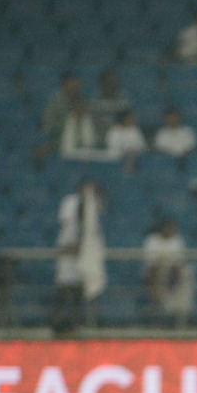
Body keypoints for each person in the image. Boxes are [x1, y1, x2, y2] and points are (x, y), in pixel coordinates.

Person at [53, 179, 106, 335]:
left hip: (82, 263)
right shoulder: (70, 204)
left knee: (79, 295)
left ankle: (75, 327)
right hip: (67, 263)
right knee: (63, 295)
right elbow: (65, 243)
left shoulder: (92, 217)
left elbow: (98, 210)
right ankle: (60, 329)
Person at [143, 219, 195, 324]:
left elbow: (178, 263)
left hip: (172, 271)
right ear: (162, 229)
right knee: (158, 275)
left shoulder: (177, 240)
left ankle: (181, 311)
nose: (170, 230)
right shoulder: (152, 240)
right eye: (167, 228)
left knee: (187, 273)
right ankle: (164, 309)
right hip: (155, 271)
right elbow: (151, 264)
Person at [91, 69, 133, 143]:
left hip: (119, 134)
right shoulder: (95, 102)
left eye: (114, 82)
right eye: (109, 82)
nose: (112, 85)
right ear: (103, 83)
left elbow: (128, 119)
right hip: (99, 133)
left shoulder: (124, 101)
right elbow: (92, 121)